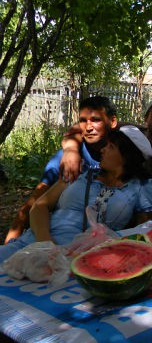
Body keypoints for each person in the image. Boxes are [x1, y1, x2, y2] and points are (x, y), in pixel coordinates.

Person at [0, 126, 152, 263]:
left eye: (110, 147)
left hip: (85, 259)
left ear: (126, 157)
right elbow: (39, 207)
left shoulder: (141, 187)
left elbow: (142, 233)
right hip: (34, 242)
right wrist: (45, 243)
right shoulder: (81, 173)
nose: (102, 149)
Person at [4, 96, 118, 244]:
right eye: (83, 121)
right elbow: (33, 203)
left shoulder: (124, 155)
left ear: (113, 121)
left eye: (96, 120)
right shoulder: (65, 159)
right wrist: (10, 244)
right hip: (58, 237)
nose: (88, 127)